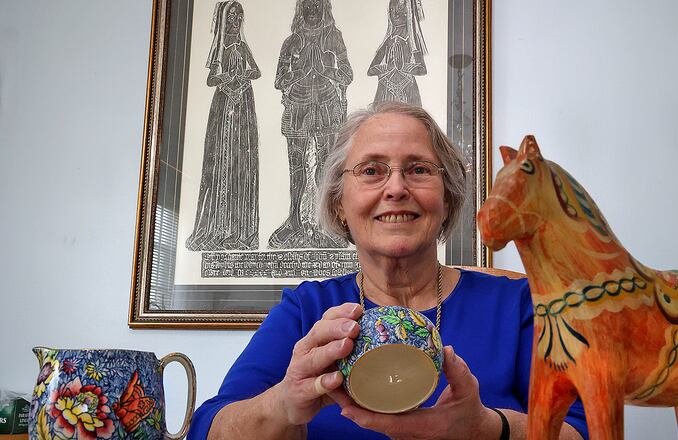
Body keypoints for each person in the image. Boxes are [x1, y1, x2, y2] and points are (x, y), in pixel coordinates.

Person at [187, 102, 588, 439]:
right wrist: (283, 403)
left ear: (447, 199)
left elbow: (584, 431)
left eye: (419, 169)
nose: (396, 188)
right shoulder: (307, 309)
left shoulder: (517, 306)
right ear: (340, 204)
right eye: (371, 171)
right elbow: (207, 429)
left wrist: (488, 428)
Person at [269, 0, 353, 249]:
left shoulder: (334, 37)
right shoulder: (291, 41)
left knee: (326, 170)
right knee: (296, 168)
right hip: (298, 106)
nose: (313, 10)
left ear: (324, 8)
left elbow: (347, 74)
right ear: (301, 9)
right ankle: (294, 220)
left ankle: (328, 224)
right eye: (308, 5)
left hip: (327, 106)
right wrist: (301, 71)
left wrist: (326, 70)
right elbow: (278, 80)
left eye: (317, 5)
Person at [186, 0, 260, 251]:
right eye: (231, 17)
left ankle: (239, 232)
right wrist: (227, 78)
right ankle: (217, 229)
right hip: (225, 103)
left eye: (239, 17)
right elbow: (211, 79)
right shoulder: (220, 47)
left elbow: (256, 71)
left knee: (241, 163)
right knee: (222, 161)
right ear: (223, 20)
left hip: (243, 104)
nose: (236, 21)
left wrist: (245, 76)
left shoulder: (242, 45)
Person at [368, 0, 428, 106]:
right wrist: (388, 68)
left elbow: (422, 70)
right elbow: (370, 71)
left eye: (399, 10)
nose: (394, 14)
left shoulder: (412, 40)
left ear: (408, 12)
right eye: (392, 10)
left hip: (407, 90)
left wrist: (402, 67)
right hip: (385, 90)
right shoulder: (388, 40)